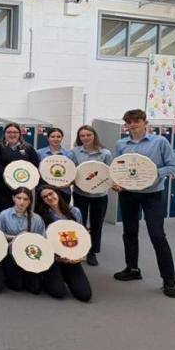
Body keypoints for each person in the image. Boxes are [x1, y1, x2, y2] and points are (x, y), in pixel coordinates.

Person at [113, 109, 175, 298]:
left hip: (152, 195)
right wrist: (117, 182)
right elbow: (118, 167)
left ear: (145, 122)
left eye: (136, 121)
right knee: (129, 232)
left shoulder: (160, 142)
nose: (132, 125)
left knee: (157, 235)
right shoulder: (121, 144)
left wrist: (151, 174)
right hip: (128, 194)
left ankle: (169, 281)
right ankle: (132, 269)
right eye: (128, 122)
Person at [36, 185, 92, 302]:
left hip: (71, 257)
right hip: (53, 259)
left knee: (85, 295)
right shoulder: (42, 216)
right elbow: (42, 242)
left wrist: (81, 256)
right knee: (58, 292)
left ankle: (66, 276)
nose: (49, 197)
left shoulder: (74, 212)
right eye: (45, 197)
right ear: (42, 201)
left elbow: (82, 236)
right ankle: (48, 276)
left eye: (51, 193)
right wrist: (57, 258)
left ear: (57, 193)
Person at [71, 125, 113, 266]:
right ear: (79, 138)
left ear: (94, 135)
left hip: (100, 195)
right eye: (82, 136)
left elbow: (109, 174)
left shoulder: (105, 153)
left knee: (97, 224)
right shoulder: (75, 152)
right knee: (80, 222)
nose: (86, 138)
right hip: (80, 193)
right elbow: (72, 171)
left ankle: (92, 251)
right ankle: (81, 248)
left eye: (88, 135)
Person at [0, 187, 46, 294]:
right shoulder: (4, 215)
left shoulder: (36, 219)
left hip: (29, 254)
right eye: (18, 198)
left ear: (30, 201)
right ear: (13, 198)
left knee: (35, 288)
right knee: (17, 286)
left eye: (25, 199)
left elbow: (42, 240)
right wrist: (17, 238)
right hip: (10, 254)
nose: (21, 202)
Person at [0, 123, 40, 212]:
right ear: (4, 134)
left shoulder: (28, 148)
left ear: (19, 134)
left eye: (15, 132)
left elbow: (35, 165)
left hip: (22, 189)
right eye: (9, 132)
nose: (12, 134)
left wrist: (23, 179)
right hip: (0, 189)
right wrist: (11, 178)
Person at [37, 128, 75, 204]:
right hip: (45, 190)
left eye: (58, 136)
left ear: (62, 138)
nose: (56, 139)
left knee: (64, 214)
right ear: (48, 138)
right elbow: (36, 172)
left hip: (63, 191)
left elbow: (73, 173)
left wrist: (66, 184)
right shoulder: (40, 153)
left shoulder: (69, 154)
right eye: (53, 136)